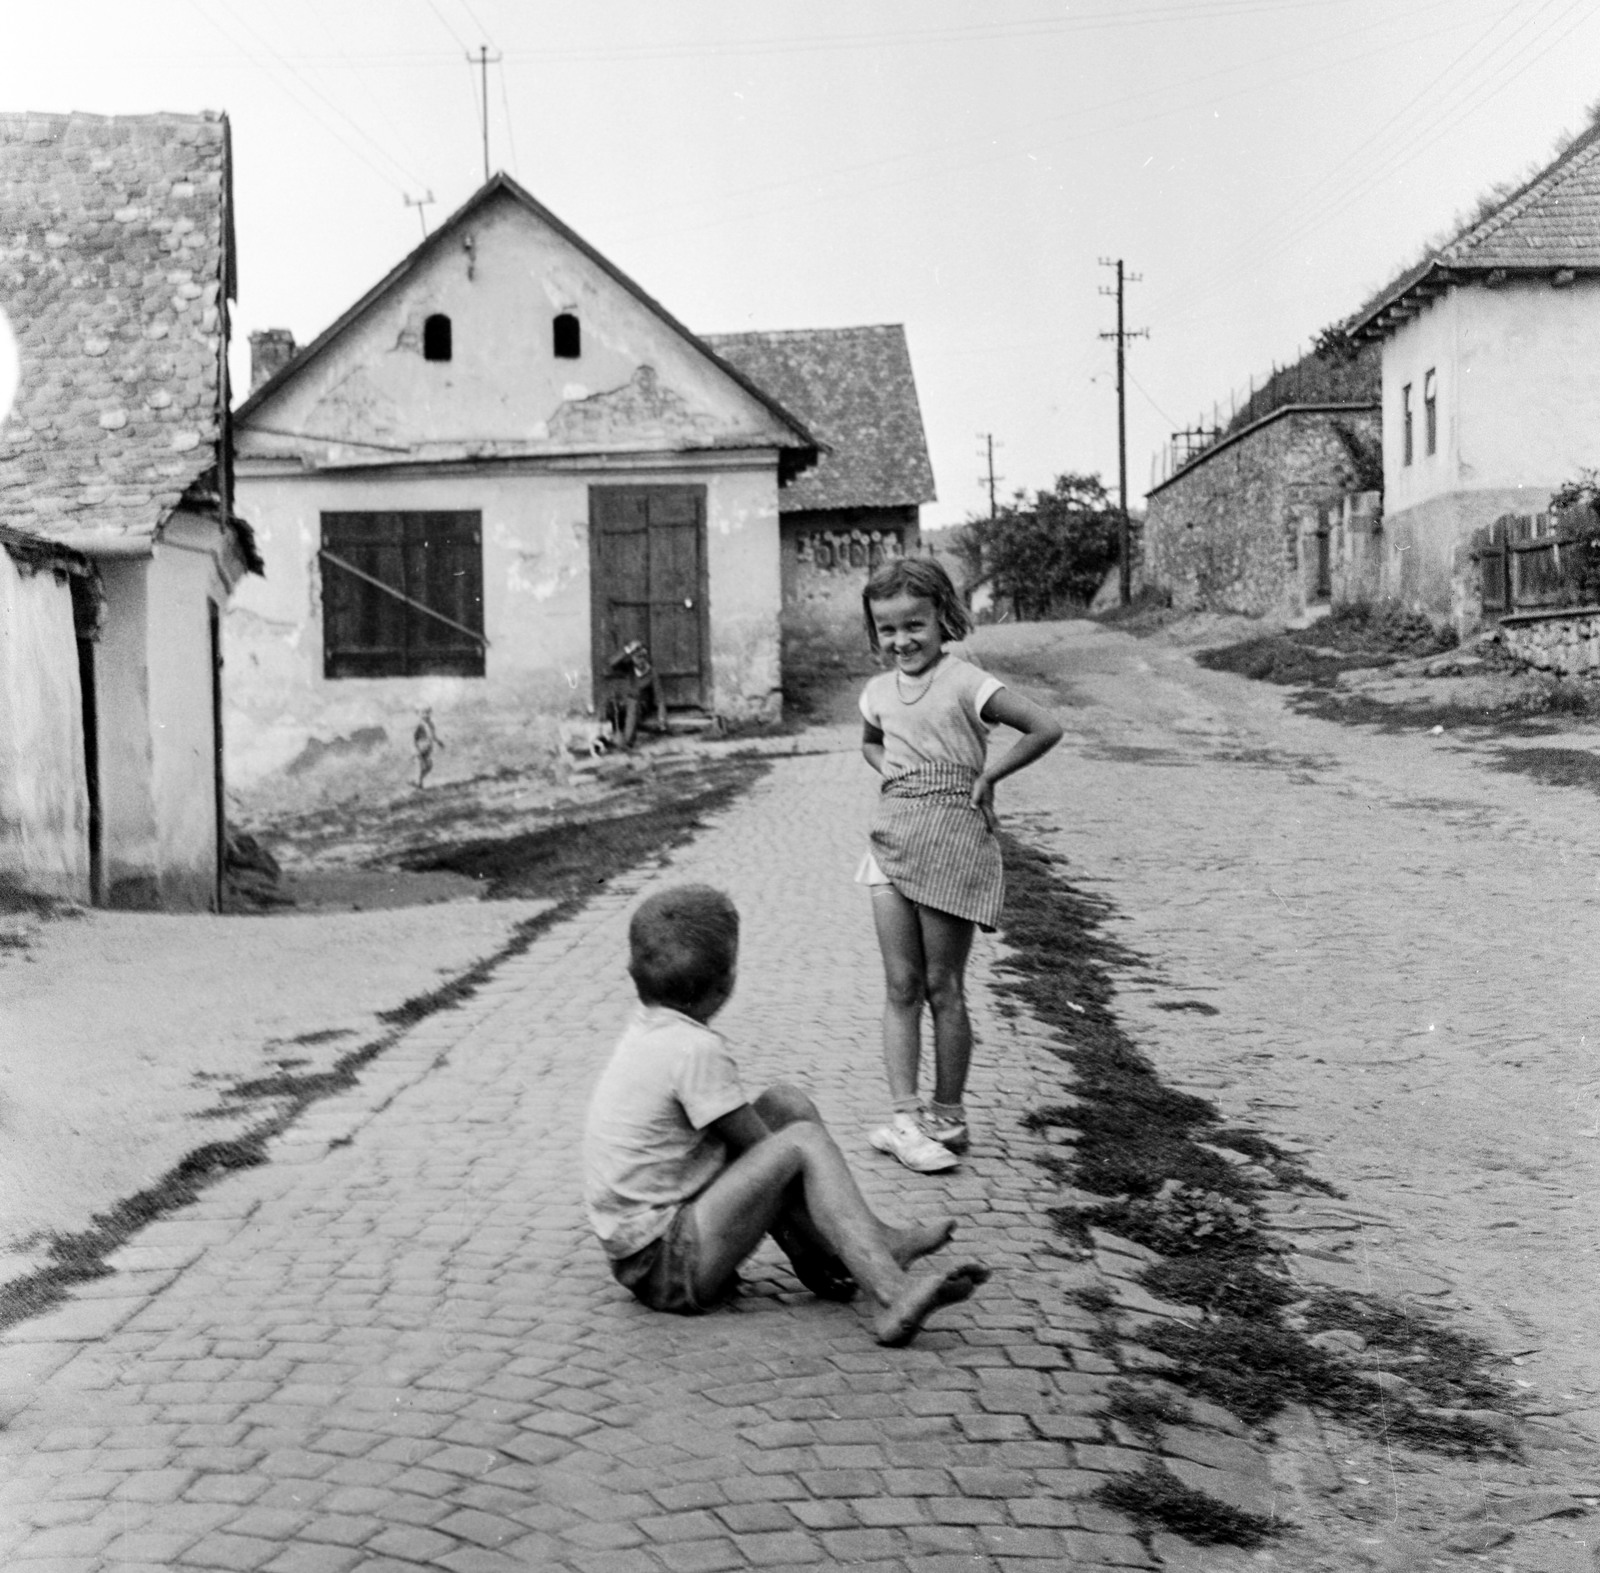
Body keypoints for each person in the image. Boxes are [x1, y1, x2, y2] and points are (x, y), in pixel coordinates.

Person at [583, 884, 990, 1346]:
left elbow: (756, 1157)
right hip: (665, 1264)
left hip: (651, 1250)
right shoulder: (693, 1049)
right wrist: (802, 1238)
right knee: (801, 1142)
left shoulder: (649, 1026)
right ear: (726, 982)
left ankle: (868, 1246)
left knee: (783, 1103)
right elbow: (764, 1153)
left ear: (635, 973)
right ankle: (891, 1292)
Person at [857, 557, 1063, 1173]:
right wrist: (895, 774)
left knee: (943, 987)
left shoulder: (966, 680)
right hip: (890, 838)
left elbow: (1044, 726)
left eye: (914, 625)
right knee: (900, 987)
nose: (902, 641)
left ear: (943, 618)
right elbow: (870, 740)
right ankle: (904, 1117)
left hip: (953, 838)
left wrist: (990, 774)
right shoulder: (875, 691)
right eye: (887, 630)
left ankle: (948, 1115)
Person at [606, 637, 670, 748]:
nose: (640, 662)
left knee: (633, 703)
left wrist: (662, 718)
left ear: (646, 658)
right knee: (612, 705)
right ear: (632, 659)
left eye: (643, 658)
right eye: (637, 658)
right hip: (626, 702)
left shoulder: (652, 673)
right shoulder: (629, 667)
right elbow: (612, 663)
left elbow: (660, 698)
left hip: (640, 705)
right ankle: (616, 733)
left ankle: (628, 741)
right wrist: (627, 649)